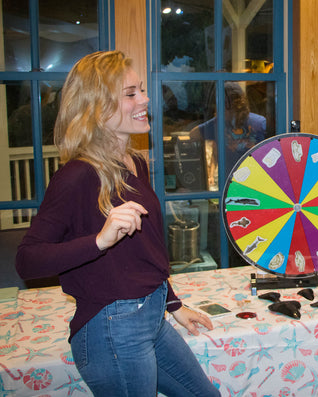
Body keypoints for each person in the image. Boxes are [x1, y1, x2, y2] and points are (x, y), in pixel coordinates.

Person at [15, 51, 220, 397]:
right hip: (113, 330)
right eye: (130, 93)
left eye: (141, 89)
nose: (145, 99)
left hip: (151, 317)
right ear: (97, 108)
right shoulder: (77, 176)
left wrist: (173, 304)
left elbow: (146, 251)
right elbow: (27, 260)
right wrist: (99, 240)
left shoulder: (134, 162)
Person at [190, 81, 266, 186]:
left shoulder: (259, 123)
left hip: (251, 183)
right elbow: (193, 135)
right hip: (234, 184)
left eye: (220, 105)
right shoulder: (260, 122)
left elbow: (193, 135)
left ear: (227, 106)